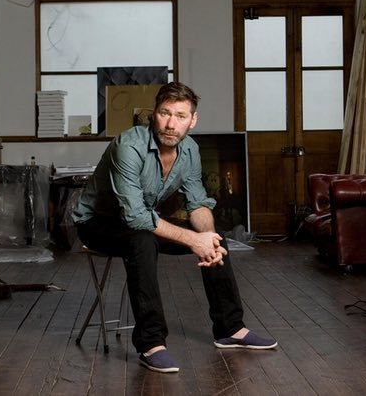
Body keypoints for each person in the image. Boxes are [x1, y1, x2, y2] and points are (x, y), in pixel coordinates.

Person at [72, 82, 277, 374]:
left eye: (180, 116)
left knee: (216, 238)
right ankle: (151, 343)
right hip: (97, 222)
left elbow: (197, 203)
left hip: (141, 221)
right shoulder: (128, 146)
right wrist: (193, 240)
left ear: (192, 120)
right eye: (165, 113)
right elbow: (135, 217)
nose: (171, 124)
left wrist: (206, 239)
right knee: (142, 240)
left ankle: (231, 328)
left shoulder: (190, 150)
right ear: (153, 113)